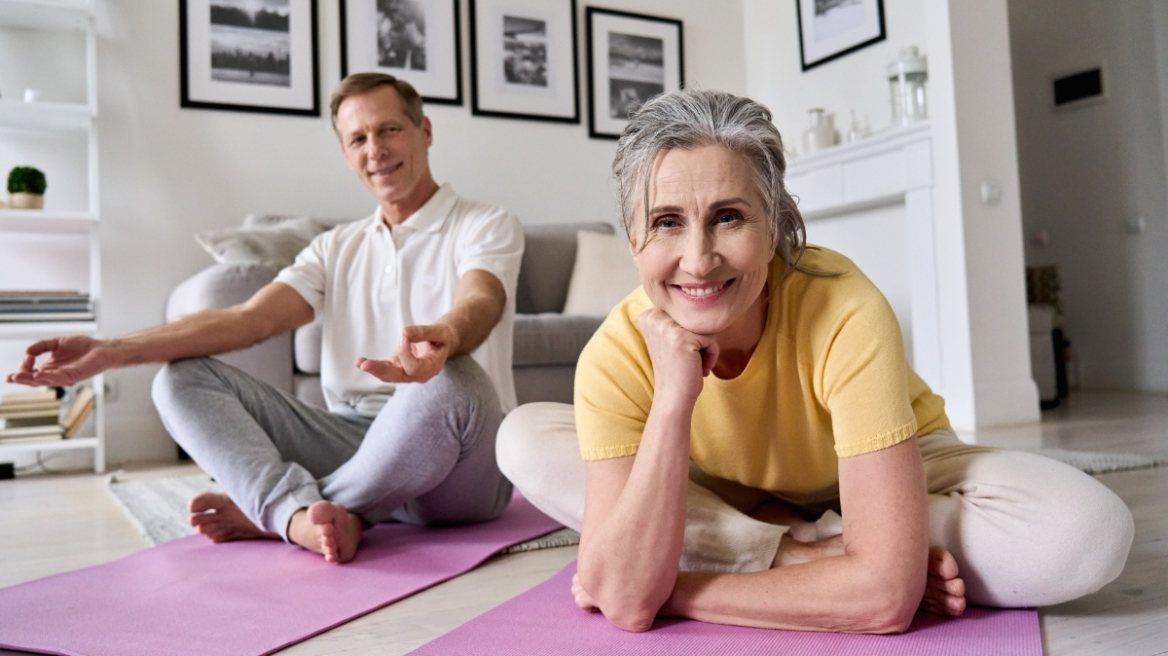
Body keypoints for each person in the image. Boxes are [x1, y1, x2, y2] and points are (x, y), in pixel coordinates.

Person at [497, 89, 1133, 633]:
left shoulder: (844, 306)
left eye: (728, 217)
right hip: (731, 494)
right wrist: (672, 399)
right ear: (632, 239)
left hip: (897, 467)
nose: (698, 258)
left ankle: (811, 538)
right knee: (522, 438)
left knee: (1088, 534)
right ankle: (798, 548)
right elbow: (627, 605)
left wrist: (672, 588)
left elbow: (884, 600)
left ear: (772, 226)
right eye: (666, 222)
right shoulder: (616, 353)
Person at [7, 73, 524, 565]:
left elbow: (481, 301)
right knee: (182, 377)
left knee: (452, 378)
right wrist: (110, 350)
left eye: (389, 129)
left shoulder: (485, 223)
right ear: (346, 155)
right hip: (354, 442)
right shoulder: (334, 247)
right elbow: (250, 319)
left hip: (461, 469)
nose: (376, 150)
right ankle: (303, 514)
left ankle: (280, 514)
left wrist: (446, 336)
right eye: (358, 138)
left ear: (424, 131)